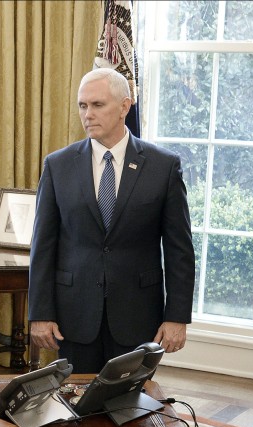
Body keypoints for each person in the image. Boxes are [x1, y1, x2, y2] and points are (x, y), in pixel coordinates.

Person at [28, 68, 194, 373]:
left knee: (130, 410)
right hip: (74, 316)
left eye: (97, 105)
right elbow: (43, 245)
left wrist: (177, 316)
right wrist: (39, 312)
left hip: (138, 315)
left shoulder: (163, 166)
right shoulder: (58, 166)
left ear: (124, 107)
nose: (87, 114)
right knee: (75, 411)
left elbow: (179, 249)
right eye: (82, 105)